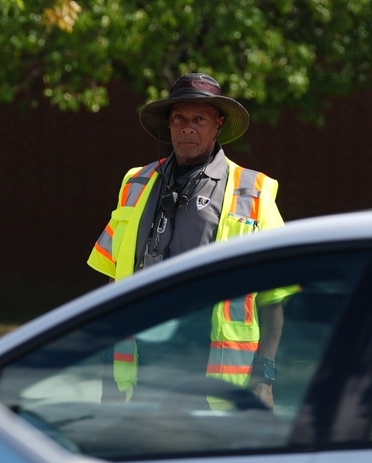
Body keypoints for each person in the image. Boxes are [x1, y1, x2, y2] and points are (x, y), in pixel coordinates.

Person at [87, 73, 288, 409]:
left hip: (210, 369)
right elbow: (113, 284)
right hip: (143, 364)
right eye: (179, 118)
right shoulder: (135, 183)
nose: (187, 128)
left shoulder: (252, 191)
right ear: (168, 124)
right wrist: (109, 371)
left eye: (199, 119)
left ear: (218, 124)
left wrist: (264, 377)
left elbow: (274, 297)